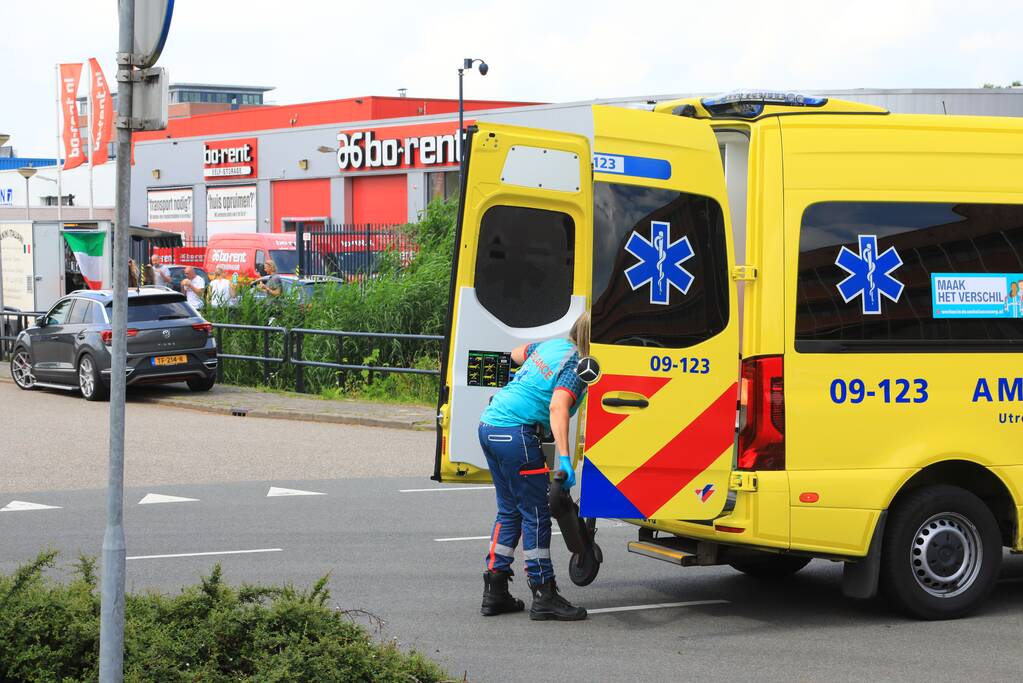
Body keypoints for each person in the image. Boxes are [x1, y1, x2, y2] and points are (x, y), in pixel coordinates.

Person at [476, 312, 590, 621]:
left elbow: (516, 354)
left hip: (489, 424)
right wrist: (564, 459)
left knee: (509, 511)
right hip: (516, 435)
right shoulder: (578, 365)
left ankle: (495, 590)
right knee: (536, 515)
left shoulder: (553, 346)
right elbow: (558, 406)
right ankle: (544, 593)